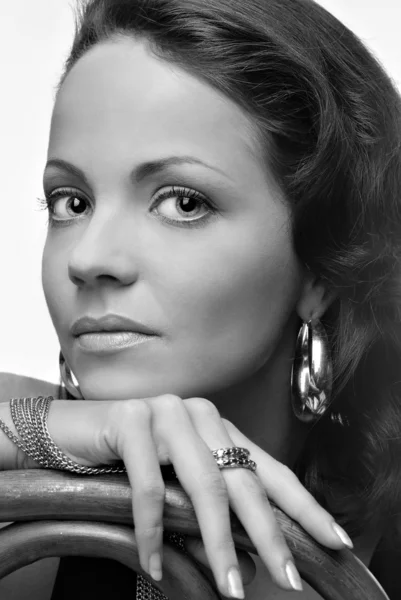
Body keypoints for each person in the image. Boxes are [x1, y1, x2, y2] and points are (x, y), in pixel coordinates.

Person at [1, 0, 401, 598]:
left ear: (322, 269)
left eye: (183, 202)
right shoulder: (21, 453)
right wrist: (49, 436)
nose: (89, 258)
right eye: (72, 202)